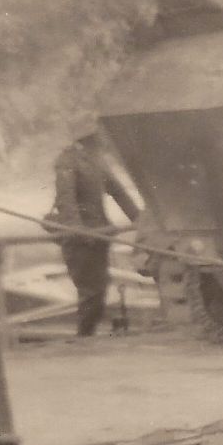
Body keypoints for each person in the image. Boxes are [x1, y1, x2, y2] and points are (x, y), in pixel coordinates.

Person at [46, 124, 141, 337]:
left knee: (98, 291)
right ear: (90, 138)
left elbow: (119, 193)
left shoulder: (97, 161)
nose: (104, 141)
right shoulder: (67, 161)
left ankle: (86, 337)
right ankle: (84, 338)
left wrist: (141, 220)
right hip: (80, 241)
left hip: (98, 236)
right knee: (91, 292)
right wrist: (78, 230)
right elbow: (66, 200)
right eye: (100, 137)